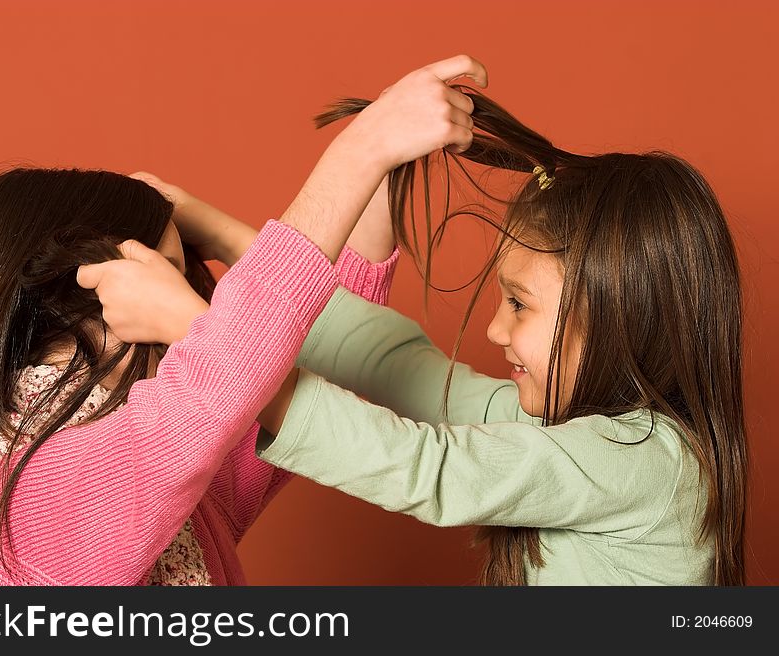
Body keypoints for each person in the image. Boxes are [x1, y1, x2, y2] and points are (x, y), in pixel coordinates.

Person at [93, 66, 747, 585]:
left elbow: (424, 466)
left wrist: (204, 333)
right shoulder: (569, 427)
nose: (495, 330)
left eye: (519, 304)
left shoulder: (647, 464)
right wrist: (216, 230)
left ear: (618, 320)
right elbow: (397, 366)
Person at [0, 55, 488, 585]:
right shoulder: (17, 502)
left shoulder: (183, 494)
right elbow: (218, 381)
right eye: (174, 271)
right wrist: (363, 149)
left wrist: (387, 172)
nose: (190, 297)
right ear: (97, 288)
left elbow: (290, 360)